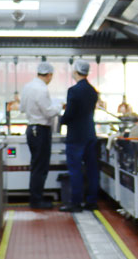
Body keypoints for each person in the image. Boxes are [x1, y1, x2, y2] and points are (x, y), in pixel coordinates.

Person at [59, 60, 100, 212]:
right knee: (92, 169)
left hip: (76, 135)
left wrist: (61, 120)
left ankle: (75, 203)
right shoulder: (93, 91)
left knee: (75, 169)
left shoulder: (73, 90)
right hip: (90, 133)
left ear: (75, 71)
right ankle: (92, 202)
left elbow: (70, 113)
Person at [20, 61, 60, 209]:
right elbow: (49, 112)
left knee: (36, 165)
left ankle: (36, 198)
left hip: (31, 129)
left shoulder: (27, 86)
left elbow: (22, 108)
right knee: (41, 166)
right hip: (41, 130)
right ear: (49, 75)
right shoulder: (42, 90)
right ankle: (37, 201)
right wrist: (59, 106)